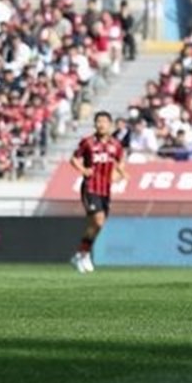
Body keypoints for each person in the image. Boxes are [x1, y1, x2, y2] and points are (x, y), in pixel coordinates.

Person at [70, 111, 128, 273]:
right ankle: (82, 254)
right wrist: (83, 170)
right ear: (95, 124)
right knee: (98, 221)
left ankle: (82, 253)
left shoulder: (116, 145)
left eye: (104, 122)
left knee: (96, 226)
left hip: (105, 189)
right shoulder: (88, 142)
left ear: (110, 125)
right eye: (98, 121)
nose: (101, 124)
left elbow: (121, 162)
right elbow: (74, 159)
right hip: (90, 187)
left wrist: (119, 174)